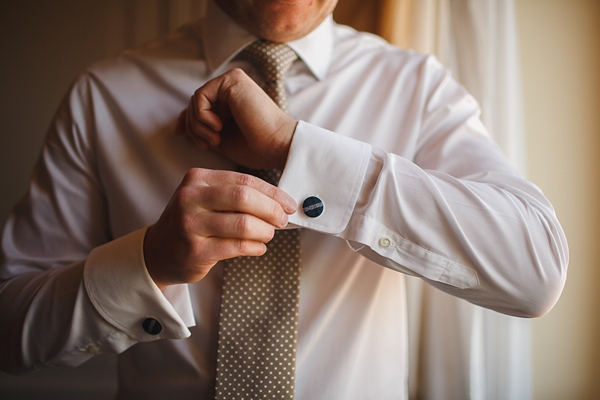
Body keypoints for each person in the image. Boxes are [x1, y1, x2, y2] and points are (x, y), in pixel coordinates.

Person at [0, 0, 568, 398]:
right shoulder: (103, 96)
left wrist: (297, 150)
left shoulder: (418, 89)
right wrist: (149, 262)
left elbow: (535, 271)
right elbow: (10, 329)